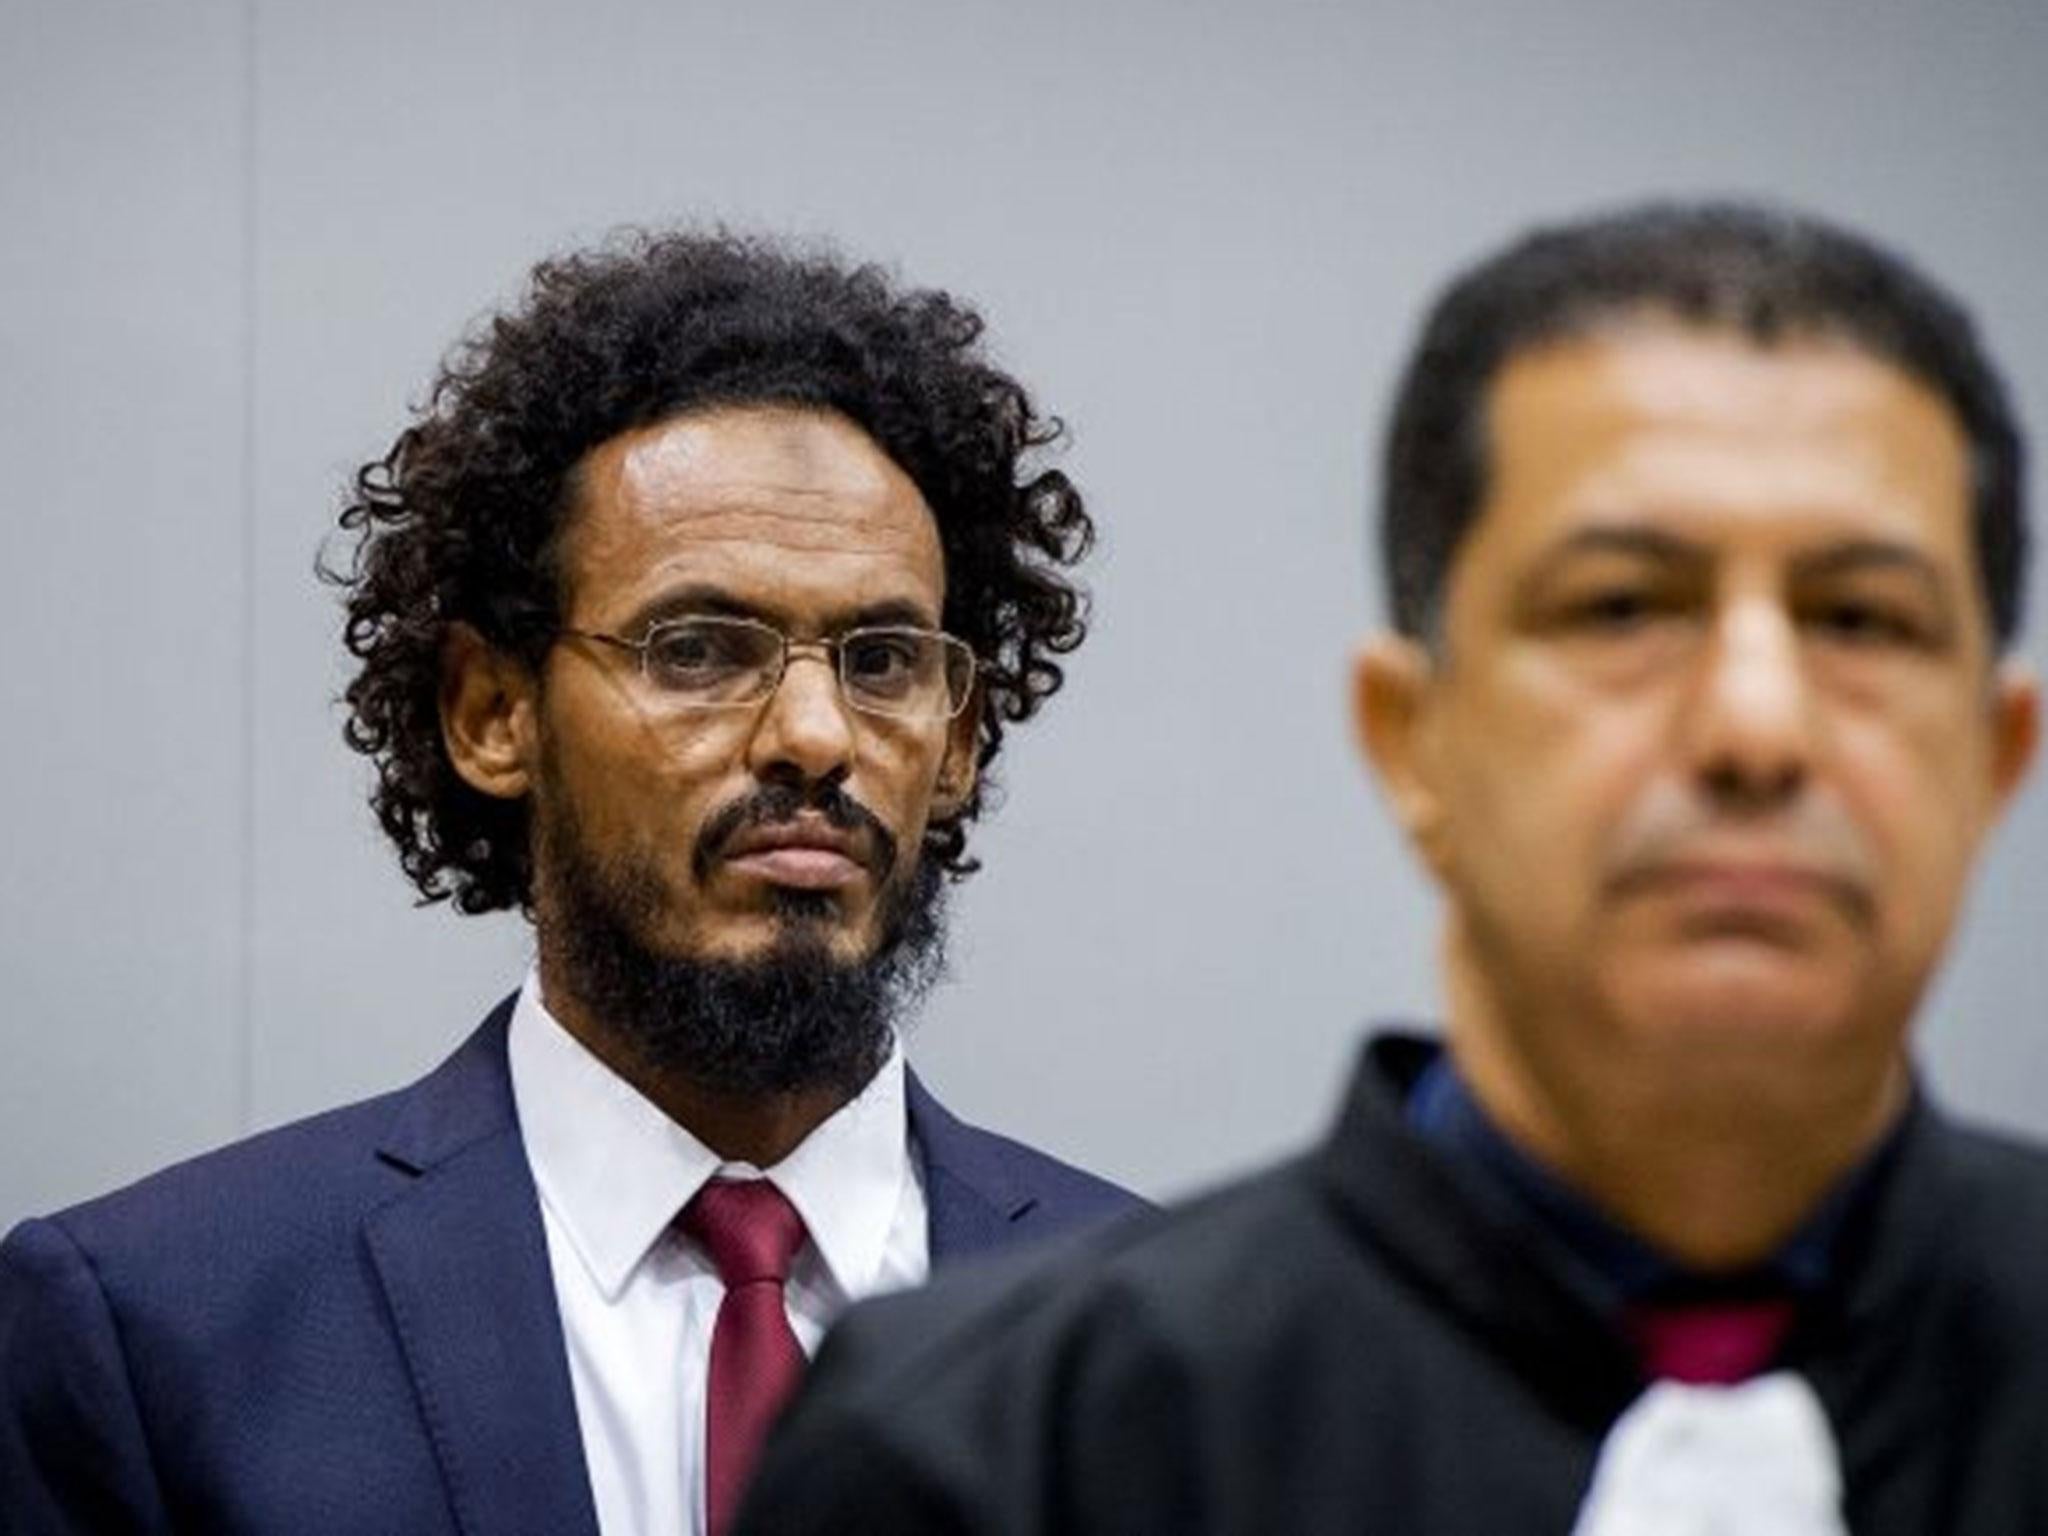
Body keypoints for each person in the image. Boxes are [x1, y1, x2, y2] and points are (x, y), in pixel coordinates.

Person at [733, 201, 2045, 1535]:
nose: (1756, 727)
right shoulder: (993, 1457)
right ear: (1410, 738)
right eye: (1623, 607)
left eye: (1862, 620)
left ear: (1997, 756)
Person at [0, 231, 1140, 1536]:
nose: (816, 735)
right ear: (492, 710)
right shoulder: (158, 1333)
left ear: (959, 744)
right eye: (702, 647)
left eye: (883, 659)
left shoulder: (1183, 1348)